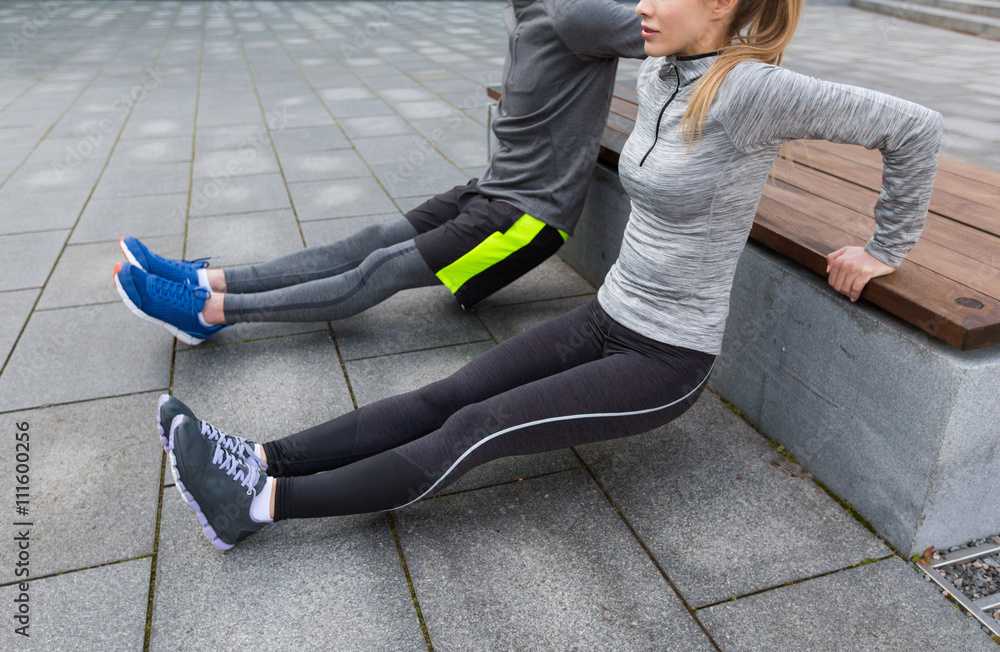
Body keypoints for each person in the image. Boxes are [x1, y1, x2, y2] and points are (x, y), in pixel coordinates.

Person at [159, 0, 943, 550]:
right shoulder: (664, 72)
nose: (642, 5)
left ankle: (256, 506)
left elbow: (913, 127)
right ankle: (260, 457)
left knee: (475, 430)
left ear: (722, 7)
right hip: (607, 317)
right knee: (447, 394)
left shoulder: (755, 90)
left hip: (664, 357)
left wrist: (885, 246)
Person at [112, 0, 646, 345]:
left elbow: (683, 29)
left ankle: (210, 311)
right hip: (490, 190)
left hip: (530, 216)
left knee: (381, 267)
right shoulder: (531, 8)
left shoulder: (578, 13)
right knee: (372, 238)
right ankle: (207, 279)